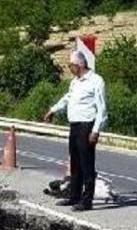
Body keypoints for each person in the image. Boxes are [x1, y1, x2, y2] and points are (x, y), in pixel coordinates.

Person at [43, 50, 108, 212]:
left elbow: (102, 109)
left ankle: (87, 200)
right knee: (75, 163)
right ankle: (74, 196)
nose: (69, 68)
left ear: (79, 65)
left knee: (87, 164)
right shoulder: (75, 82)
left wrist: (96, 130)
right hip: (75, 125)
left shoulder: (96, 81)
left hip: (87, 125)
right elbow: (67, 98)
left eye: (70, 65)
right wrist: (53, 110)